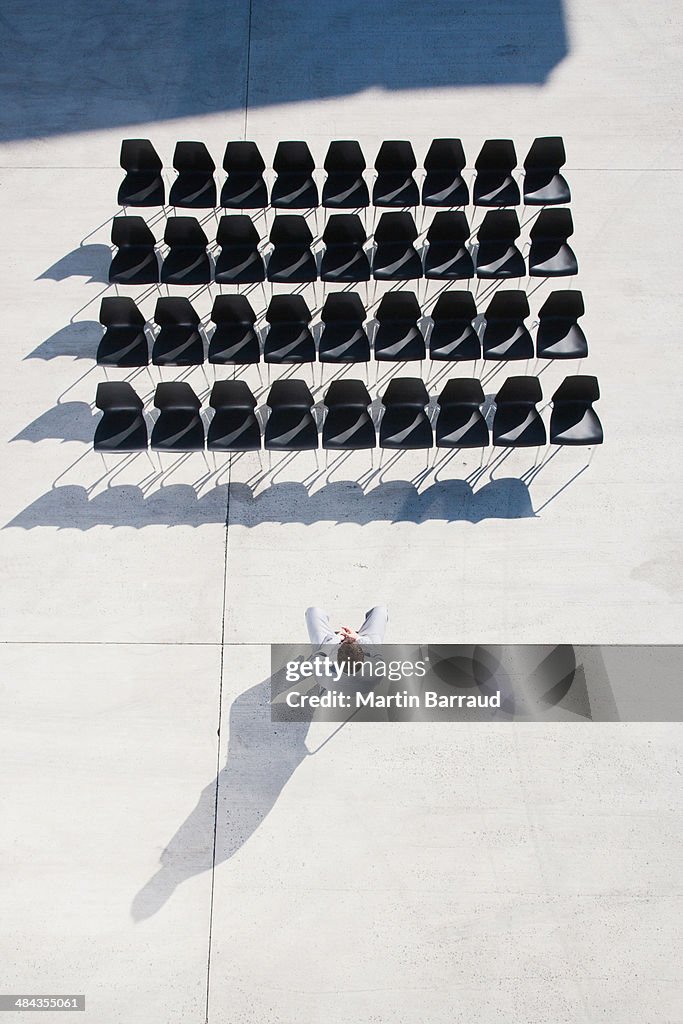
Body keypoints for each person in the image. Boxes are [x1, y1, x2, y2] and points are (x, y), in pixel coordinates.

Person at [305, 606, 388, 676]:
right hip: (360, 687)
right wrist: (358, 638)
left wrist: (337, 638)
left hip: (331, 682)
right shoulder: (377, 671)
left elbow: (320, 654)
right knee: (380, 610)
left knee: (313, 611)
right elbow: (375, 653)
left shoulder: (320, 667)